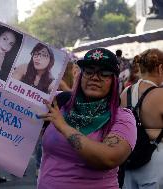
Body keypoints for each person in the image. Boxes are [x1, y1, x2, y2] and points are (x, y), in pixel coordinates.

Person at [38, 48, 136, 189]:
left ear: (114, 81)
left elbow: (109, 158)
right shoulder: (59, 103)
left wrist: (64, 127)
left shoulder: (122, 118)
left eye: (104, 73)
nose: (95, 77)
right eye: (89, 71)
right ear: (81, 75)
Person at [120, 49, 163, 189]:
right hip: (155, 163)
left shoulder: (126, 92)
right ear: (160, 68)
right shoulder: (160, 94)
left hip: (129, 160)